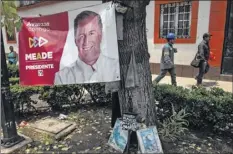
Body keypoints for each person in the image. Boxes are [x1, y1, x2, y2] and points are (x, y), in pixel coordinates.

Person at [54, 11, 119, 84]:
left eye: (91, 33)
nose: (86, 41)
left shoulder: (116, 67)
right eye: (81, 36)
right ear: (75, 40)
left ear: (100, 36)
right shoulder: (62, 77)